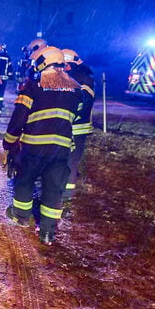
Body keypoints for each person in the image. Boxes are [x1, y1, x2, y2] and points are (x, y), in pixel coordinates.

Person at [2, 46, 81, 245]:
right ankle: (47, 233)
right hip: (61, 149)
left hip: (34, 147)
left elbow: (19, 118)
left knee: (25, 181)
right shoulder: (76, 90)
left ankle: (21, 215)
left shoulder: (33, 87)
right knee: (53, 188)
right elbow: (76, 118)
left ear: (43, 63)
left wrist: (9, 141)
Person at [61, 48, 95, 200]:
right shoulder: (81, 76)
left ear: (71, 64)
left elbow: (82, 104)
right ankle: (65, 187)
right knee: (69, 158)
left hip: (75, 126)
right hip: (74, 125)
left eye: (65, 65)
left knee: (71, 159)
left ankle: (66, 191)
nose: (63, 68)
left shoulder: (80, 80)